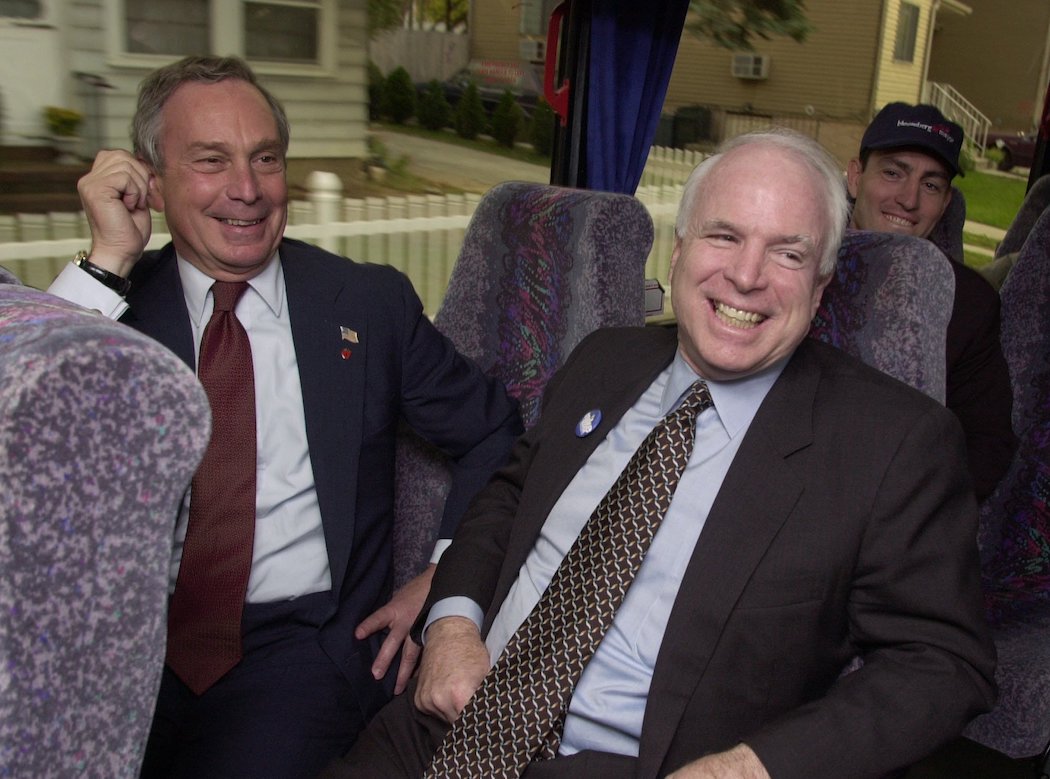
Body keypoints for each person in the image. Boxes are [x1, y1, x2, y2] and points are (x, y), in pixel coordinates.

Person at [326, 129, 996, 779]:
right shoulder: (603, 359)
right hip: (441, 728)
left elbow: (943, 662)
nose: (746, 275)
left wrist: (755, 767)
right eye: (725, 235)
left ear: (820, 288)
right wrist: (450, 623)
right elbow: (507, 495)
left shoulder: (893, 442)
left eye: (788, 253)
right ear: (678, 253)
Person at [46, 55, 523, 778]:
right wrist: (108, 257)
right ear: (151, 176)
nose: (246, 189)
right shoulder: (115, 311)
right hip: (125, 643)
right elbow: (20, 438)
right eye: (211, 160)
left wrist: (444, 571)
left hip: (301, 651)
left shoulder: (365, 304)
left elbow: (496, 431)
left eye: (265, 159)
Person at [845, 101, 1015, 501]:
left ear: (945, 204)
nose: (909, 199)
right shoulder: (798, 266)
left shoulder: (969, 304)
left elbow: (987, 443)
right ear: (855, 177)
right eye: (892, 172)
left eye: (931, 185)